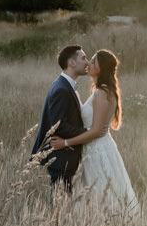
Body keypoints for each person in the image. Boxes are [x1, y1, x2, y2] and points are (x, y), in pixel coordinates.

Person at [50, 48, 140, 214]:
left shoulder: (101, 92)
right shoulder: (102, 90)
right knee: (101, 194)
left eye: (93, 62)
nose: (88, 64)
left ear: (101, 68)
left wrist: (65, 143)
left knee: (103, 195)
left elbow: (96, 131)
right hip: (96, 148)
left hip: (97, 150)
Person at [31, 44, 88, 192]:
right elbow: (59, 126)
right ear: (72, 63)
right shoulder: (62, 89)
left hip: (65, 156)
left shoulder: (63, 85)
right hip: (61, 157)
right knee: (59, 205)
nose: (87, 62)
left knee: (63, 203)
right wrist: (87, 132)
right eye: (83, 58)